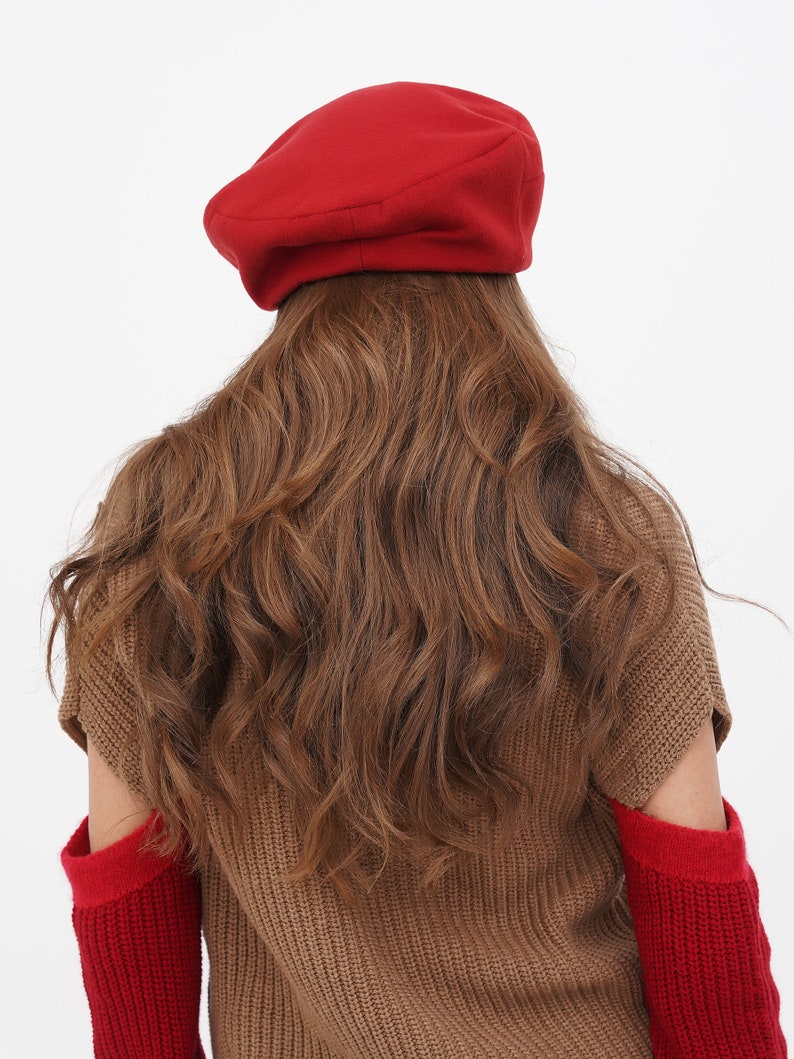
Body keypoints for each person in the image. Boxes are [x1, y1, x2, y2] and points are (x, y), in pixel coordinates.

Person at [48, 82, 786, 1058]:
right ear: (499, 268)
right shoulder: (601, 532)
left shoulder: (163, 531)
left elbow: (130, 922)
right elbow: (696, 922)